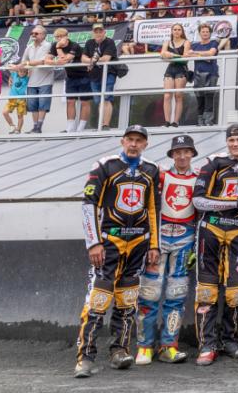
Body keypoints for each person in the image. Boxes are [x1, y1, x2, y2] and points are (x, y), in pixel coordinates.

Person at [73, 125, 160, 378]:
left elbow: (153, 208)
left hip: (138, 244)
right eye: (130, 139)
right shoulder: (104, 166)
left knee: (128, 300)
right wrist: (93, 242)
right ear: (122, 141)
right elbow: (89, 204)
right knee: (98, 300)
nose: (134, 144)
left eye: (139, 141)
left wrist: (154, 245)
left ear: (145, 144)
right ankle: (85, 357)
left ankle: (119, 350)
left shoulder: (152, 169)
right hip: (108, 243)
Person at [191, 123, 238, 365]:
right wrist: (233, 202)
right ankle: (207, 344)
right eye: (231, 140)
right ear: (226, 142)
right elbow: (198, 201)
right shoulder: (214, 162)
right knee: (206, 290)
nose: (235, 144)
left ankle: (229, 339)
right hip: (211, 229)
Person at [136, 134, 199, 366]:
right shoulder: (160, 175)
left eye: (186, 152)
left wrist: (196, 246)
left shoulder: (199, 178)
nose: (182, 156)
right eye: (177, 152)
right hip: (159, 240)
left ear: (192, 154)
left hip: (185, 240)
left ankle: (169, 346)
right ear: (172, 155)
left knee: (177, 295)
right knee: (149, 294)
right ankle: (144, 346)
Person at [49, 27, 93, 133]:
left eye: (61, 36)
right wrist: (55, 62)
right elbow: (46, 59)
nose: (59, 39)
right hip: (70, 76)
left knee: (85, 102)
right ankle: (70, 128)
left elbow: (65, 59)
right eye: (57, 37)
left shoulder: (74, 45)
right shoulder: (54, 45)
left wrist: (58, 48)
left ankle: (81, 128)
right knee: (70, 102)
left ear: (67, 36)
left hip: (84, 75)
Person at [85, 23, 119, 129]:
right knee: (99, 100)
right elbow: (83, 58)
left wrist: (91, 61)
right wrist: (93, 61)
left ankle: (105, 124)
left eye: (100, 31)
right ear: (93, 33)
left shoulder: (109, 42)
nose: (98, 33)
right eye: (96, 31)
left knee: (106, 98)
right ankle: (101, 124)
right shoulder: (89, 42)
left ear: (104, 32)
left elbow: (106, 59)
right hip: (94, 74)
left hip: (108, 73)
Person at [21, 25, 52, 133]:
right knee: (32, 105)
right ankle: (35, 127)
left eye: (36, 33)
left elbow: (43, 61)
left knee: (43, 104)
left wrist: (27, 63)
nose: (33, 35)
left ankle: (39, 126)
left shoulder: (48, 45)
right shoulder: (29, 47)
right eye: (32, 33)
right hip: (31, 80)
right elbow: (23, 61)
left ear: (43, 35)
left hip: (45, 79)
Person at [188, 23, 219, 127]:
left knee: (209, 97)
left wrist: (196, 54)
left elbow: (211, 53)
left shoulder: (214, 42)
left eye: (207, 32)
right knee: (199, 99)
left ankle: (208, 121)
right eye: (203, 31)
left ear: (210, 33)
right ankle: (200, 121)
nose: (205, 33)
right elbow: (187, 54)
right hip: (198, 74)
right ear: (199, 33)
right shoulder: (194, 45)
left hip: (211, 73)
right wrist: (204, 56)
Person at [160, 23, 191, 128]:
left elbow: (185, 58)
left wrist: (172, 55)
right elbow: (162, 54)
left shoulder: (186, 42)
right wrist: (176, 56)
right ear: (172, 31)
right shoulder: (167, 42)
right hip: (170, 68)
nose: (177, 31)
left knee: (178, 96)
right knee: (167, 95)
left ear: (182, 31)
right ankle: (167, 121)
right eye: (175, 29)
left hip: (181, 69)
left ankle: (176, 121)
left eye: (179, 29)